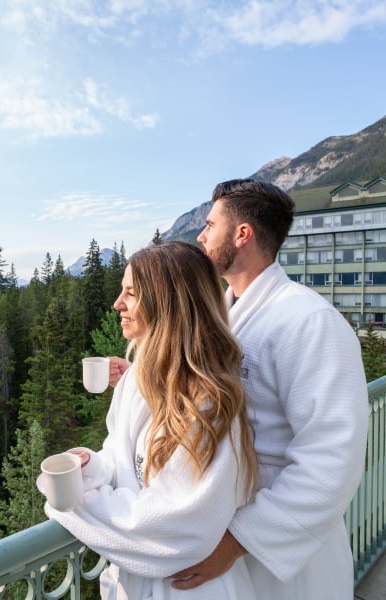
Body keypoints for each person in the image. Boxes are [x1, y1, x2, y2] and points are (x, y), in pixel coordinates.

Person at [112, 179, 369, 599]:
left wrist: (239, 541)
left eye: (210, 225)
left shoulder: (309, 322)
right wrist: (140, 381)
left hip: (275, 549)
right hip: (212, 529)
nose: (200, 235)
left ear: (242, 234)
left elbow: (332, 459)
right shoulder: (222, 316)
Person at [43, 241, 259, 599]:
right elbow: (120, 460)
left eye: (131, 292)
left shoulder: (207, 404)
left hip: (192, 589)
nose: (117, 304)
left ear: (167, 303)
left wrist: (75, 502)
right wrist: (89, 468)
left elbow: (176, 526)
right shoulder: (136, 379)